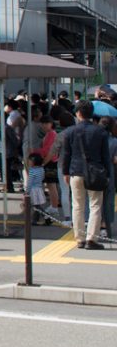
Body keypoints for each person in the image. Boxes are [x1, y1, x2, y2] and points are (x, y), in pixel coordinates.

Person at [59, 100, 108, 250]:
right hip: (95, 172)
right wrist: (107, 174)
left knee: (77, 205)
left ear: (78, 113)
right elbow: (105, 155)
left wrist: (66, 172)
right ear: (91, 113)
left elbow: (66, 154)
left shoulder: (70, 132)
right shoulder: (100, 131)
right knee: (95, 206)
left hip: (75, 171)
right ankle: (91, 239)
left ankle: (79, 238)